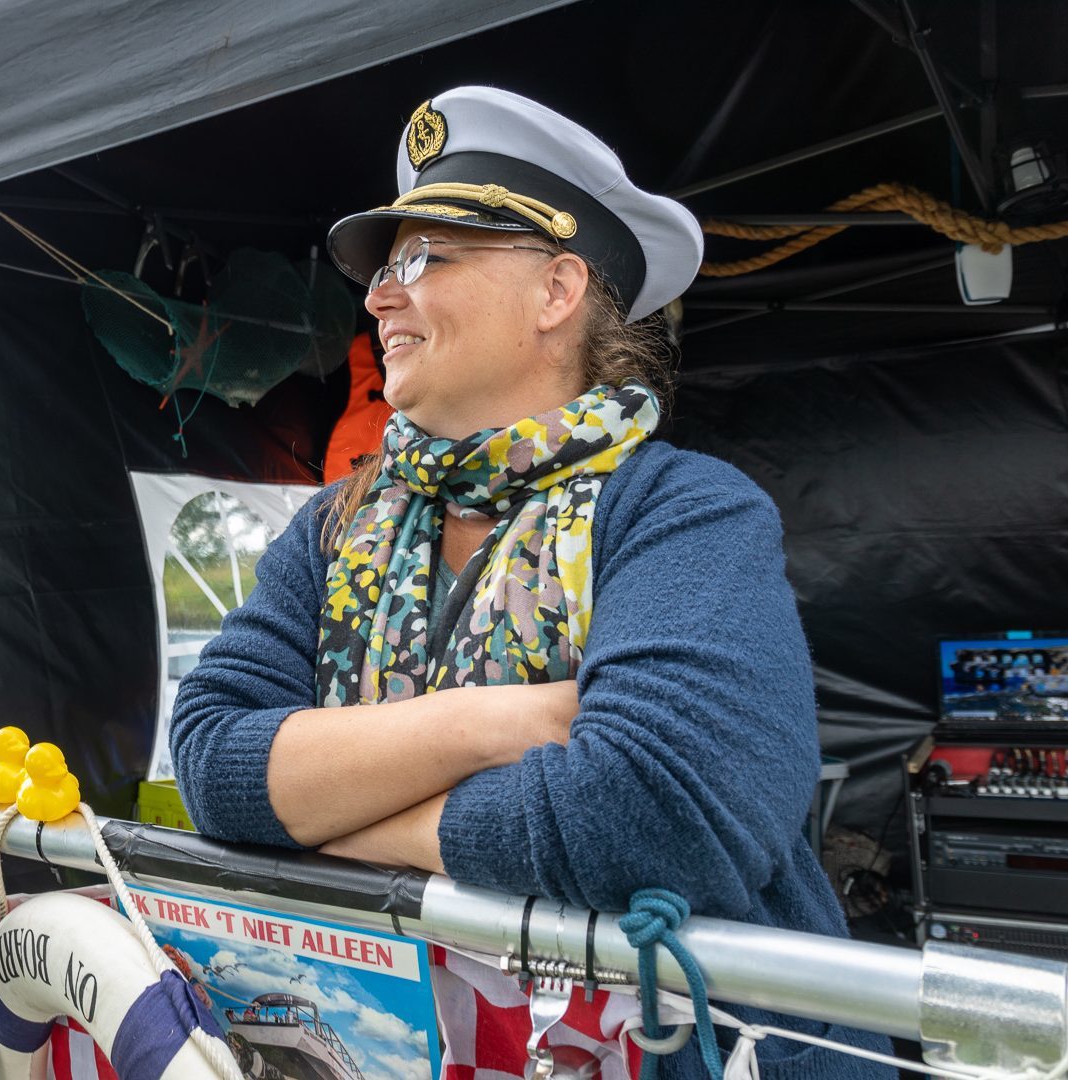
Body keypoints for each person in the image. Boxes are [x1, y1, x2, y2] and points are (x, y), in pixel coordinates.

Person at [170, 87, 891, 1080]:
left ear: (556, 290)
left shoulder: (684, 512)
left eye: (423, 258)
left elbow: (657, 818)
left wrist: (331, 817)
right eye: (383, 268)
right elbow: (210, 761)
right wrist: (507, 723)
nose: (381, 295)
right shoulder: (335, 527)